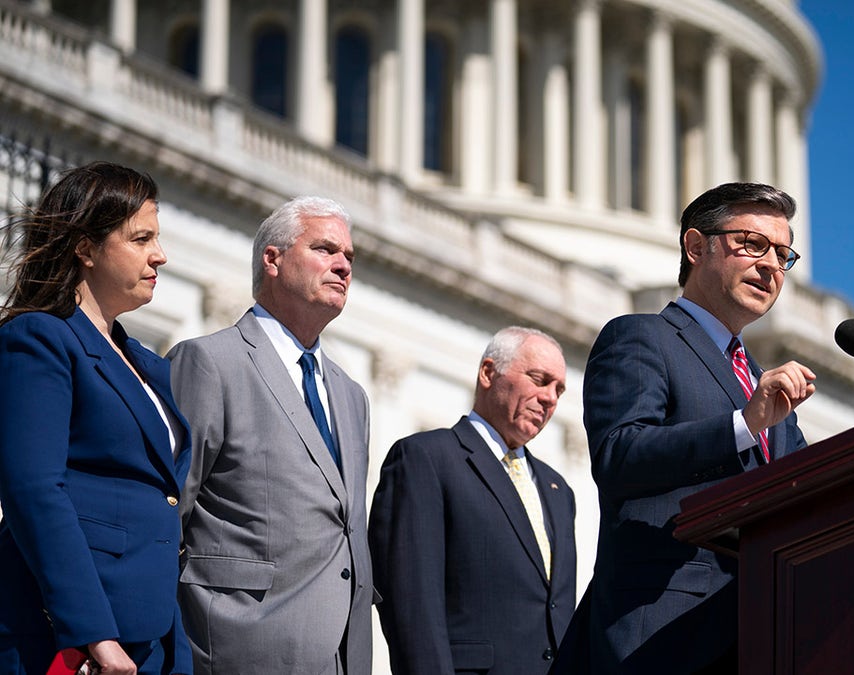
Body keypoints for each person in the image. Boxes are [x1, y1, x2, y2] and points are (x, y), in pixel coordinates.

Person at [551, 182, 818, 673]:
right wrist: (743, 424)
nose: (771, 267)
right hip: (661, 634)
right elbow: (620, 455)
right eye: (752, 244)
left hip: (761, 636)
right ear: (696, 247)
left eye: (783, 255)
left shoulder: (766, 388)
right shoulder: (641, 338)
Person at [0, 162, 192, 674]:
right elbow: (34, 490)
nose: (161, 254)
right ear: (85, 248)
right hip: (74, 641)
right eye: (141, 238)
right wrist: (95, 635)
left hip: (155, 637)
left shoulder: (151, 366)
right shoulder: (39, 338)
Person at [167, 197, 373, 674]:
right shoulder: (208, 363)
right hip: (236, 647)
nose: (343, 265)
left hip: (341, 654)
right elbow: (169, 512)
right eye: (324, 249)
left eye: (349, 256)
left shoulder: (351, 395)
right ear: (273, 259)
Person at [369, 326, 577, 675]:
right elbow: (412, 605)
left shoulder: (559, 491)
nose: (550, 398)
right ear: (488, 373)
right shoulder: (426, 459)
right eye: (539, 379)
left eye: (558, 389)